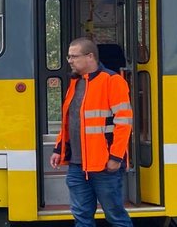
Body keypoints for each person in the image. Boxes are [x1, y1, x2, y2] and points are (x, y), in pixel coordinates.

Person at [49, 37, 134, 227]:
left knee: (115, 216)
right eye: (68, 56)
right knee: (81, 217)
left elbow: (124, 122)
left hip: (104, 165)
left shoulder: (113, 81)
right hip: (77, 166)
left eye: (73, 56)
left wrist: (116, 157)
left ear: (90, 57)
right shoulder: (75, 83)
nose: (69, 60)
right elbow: (70, 121)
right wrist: (58, 149)